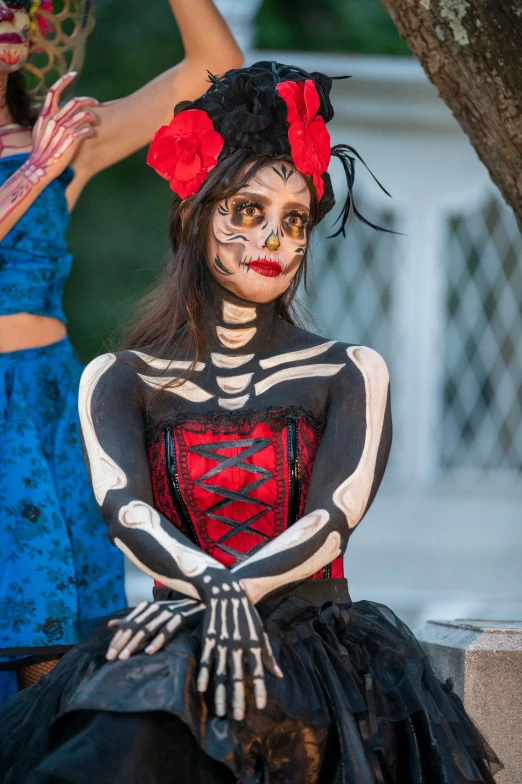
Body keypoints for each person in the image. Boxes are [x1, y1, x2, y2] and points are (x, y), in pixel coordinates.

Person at [0, 61, 500, 784]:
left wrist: (232, 594)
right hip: (181, 624)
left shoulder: (349, 370)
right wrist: (213, 591)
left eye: (293, 219)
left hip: (314, 644)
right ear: (196, 214)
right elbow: (126, 512)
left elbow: (333, 518)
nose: (275, 239)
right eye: (247, 211)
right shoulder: (119, 377)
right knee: (120, 736)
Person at [0, 0, 242, 702]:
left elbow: (215, 70)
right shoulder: (50, 150)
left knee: (58, 641)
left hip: (46, 405)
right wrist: (35, 170)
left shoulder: (63, 134)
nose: (12, 11)